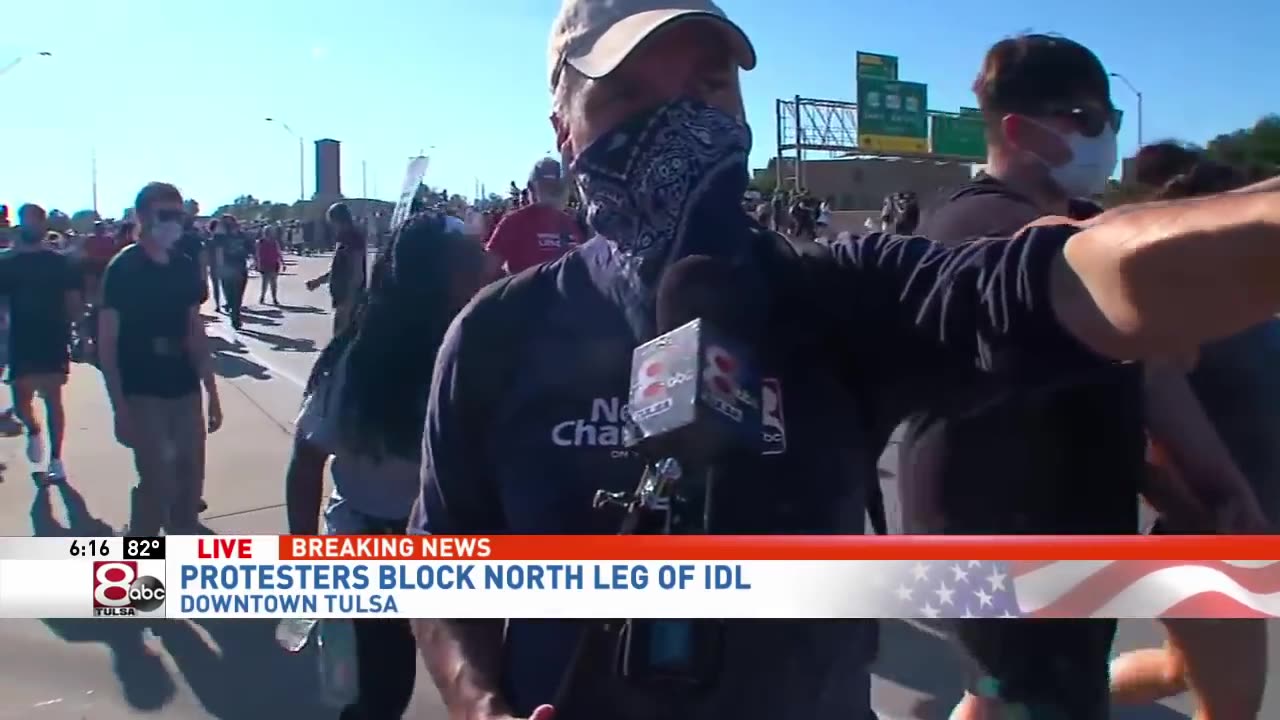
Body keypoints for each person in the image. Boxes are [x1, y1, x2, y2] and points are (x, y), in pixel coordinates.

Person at [414, 4, 1280, 720]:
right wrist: (478, 700)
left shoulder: (835, 296)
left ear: (744, 114)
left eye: (708, 87)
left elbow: (1066, 282)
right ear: (565, 130)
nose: (679, 125)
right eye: (631, 94)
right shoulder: (498, 334)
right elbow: (444, 561)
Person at [896, 34, 1264, 720]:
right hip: (1000, 547)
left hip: (1056, 532)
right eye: (1088, 119)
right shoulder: (982, 229)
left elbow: (1150, 364)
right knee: (1042, 695)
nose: (1107, 137)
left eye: (1111, 120)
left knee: (1001, 694)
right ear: (1017, 129)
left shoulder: (1082, 227)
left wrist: (1218, 487)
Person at [285, 212, 491, 720]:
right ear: (436, 276)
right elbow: (307, 458)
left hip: (458, 552)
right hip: (371, 548)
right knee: (380, 695)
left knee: (482, 687)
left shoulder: (483, 346)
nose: (489, 265)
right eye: (471, 259)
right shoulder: (363, 359)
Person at [1109, 153, 1274, 720]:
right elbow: (1134, 448)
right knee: (1230, 709)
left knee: (1177, 672)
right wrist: (1203, 513)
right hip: (1211, 547)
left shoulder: (1257, 308)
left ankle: (1062, 696)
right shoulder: (1166, 326)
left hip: (1258, 535)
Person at [99, 182, 223, 536]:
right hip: (143, 391)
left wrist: (211, 391)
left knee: (189, 482)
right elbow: (107, 344)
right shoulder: (122, 269)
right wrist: (119, 407)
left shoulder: (183, 266)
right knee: (157, 481)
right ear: (141, 217)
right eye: (165, 215)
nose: (174, 223)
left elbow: (195, 330)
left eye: (178, 215)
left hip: (183, 387)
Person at [0, 204, 82, 480]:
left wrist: (76, 329)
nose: (32, 224)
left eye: (37, 220)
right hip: (20, 338)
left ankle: (57, 459)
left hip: (52, 337)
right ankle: (34, 430)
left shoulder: (60, 262)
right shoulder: (7, 262)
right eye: (27, 220)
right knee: (21, 400)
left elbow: (73, 300)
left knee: (53, 398)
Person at [485, 158, 584, 274]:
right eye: (548, 187)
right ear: (531, 189)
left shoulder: (572, 222)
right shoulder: (515, 222)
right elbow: (488, 270)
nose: (554, 193)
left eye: (558, 188)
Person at [306, 203, 367, 336]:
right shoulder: (343, 238)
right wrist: (318, 281)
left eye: (332, 223)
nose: (332, 227)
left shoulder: (353, 238)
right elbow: (339, 269)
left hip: (349, 299)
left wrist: (349, 301)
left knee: (343, 340)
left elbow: (357, 271)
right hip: (342, 298)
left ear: (338, 220)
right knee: (340, 337)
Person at [212, 215, 251, 329]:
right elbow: (218, 251)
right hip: (227, 266)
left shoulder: (241, 235)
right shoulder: (220, 236)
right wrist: (220, 266)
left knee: (238, 294)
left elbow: (249, 248)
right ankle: (233, 312)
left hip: (240, 266)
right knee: (229, 293)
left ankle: (235, 315)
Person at [256, 226, 283, 305]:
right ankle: (263, 297)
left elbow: (278, 252)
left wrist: (282, 262)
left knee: (273, 282)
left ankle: (274, 298)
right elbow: (257, 254)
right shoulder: (260, 242)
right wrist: (258, 264)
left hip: (274, 263)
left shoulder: (274, 242)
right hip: (265, 264)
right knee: (265, 282)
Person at [205, 218, 223, 309]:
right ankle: (217, 304)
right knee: (216, 286)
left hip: (223, 265)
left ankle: (224, 303)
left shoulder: (223, 240)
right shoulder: (209, 241)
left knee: (224, 285)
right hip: (214, 265)